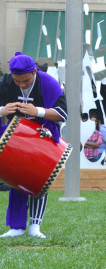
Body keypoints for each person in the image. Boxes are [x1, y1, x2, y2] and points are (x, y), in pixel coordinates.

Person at [0, 53, 68, 239]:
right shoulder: (5, 82)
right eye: (17, 81)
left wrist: (37, 111)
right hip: (15, 137)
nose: (22, 85)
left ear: (35, 71)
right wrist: (2, 110)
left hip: (42, 134)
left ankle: (35, 226)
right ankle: (16, 227)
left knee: (39, 179)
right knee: (17, 178)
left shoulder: (48, 82)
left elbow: (63, 113)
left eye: (26, 81)